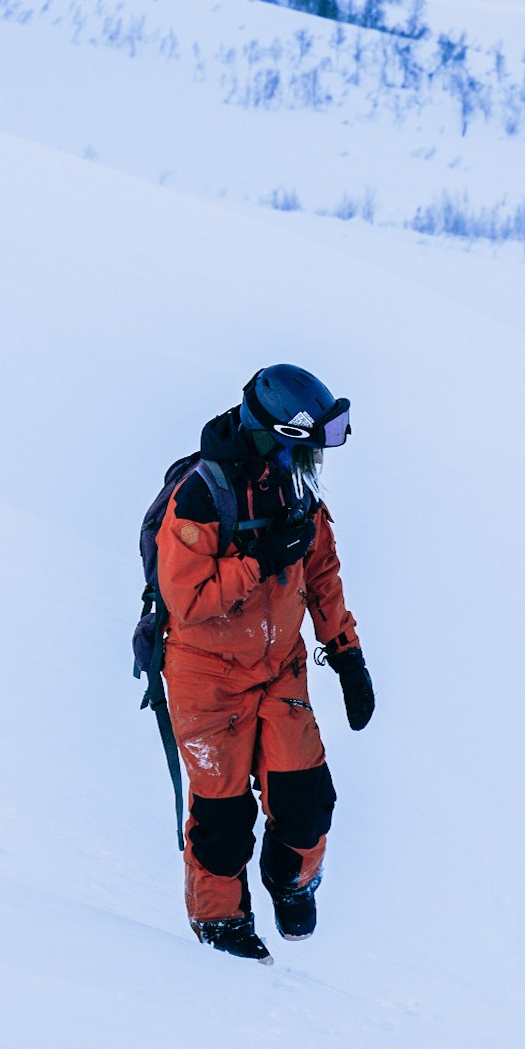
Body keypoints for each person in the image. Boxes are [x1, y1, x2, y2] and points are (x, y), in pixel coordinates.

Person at [155, 363, 375, 962]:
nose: (318, 463)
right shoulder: (203, 495)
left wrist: (347, 656)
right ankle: (221, 932)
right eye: (308, 447)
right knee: (222, 825)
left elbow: (321, 573)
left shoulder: (298, 485)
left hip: (279, 668)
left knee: (308, 803)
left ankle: (291, 879)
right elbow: (188, 600)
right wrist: (257, 560)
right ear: (276, 435)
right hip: (207, 681)